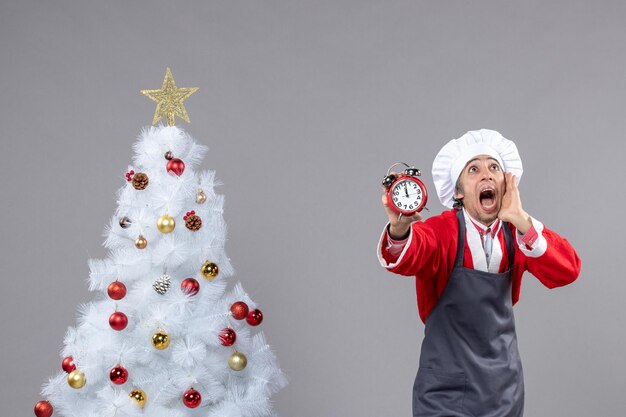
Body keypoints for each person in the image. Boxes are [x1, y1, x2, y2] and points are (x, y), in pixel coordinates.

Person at [377, 129, 581, 417]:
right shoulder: (441, 231)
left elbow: (567, 270)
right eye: (474, 169)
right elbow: (409, 253)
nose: (486, 174)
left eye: (494, 167)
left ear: (506, 184)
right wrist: (399, 229)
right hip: (444, 394)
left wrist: (522, 220)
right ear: (458, 191)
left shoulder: (519, 231)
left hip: (504, 391)